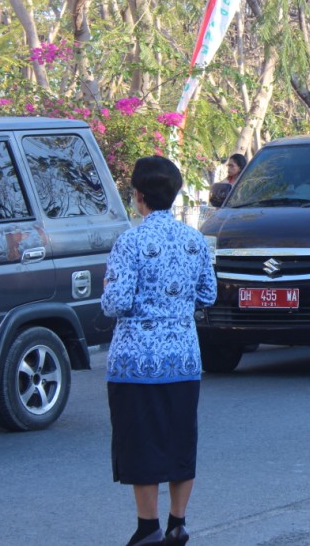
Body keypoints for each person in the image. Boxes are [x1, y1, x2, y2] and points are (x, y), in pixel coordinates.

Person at [102, 156, 217, 546]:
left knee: (142, 443)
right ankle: (178, 523)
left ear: (138, 196)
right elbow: (208, 294)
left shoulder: (130, 241)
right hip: (183, 359)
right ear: (175, 193)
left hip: (135, 362)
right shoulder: (194, 240)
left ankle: (147, 527)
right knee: (180, 441)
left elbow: (114, 302)